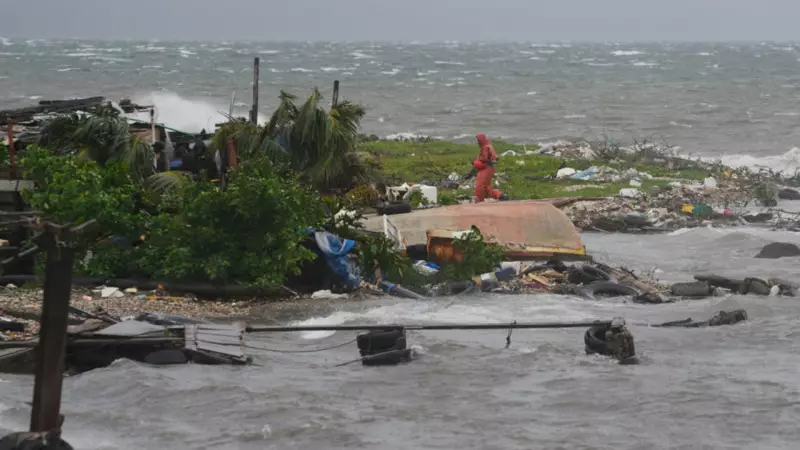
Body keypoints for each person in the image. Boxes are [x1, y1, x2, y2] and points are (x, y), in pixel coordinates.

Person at [472, 133, 508, 202]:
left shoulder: (486, 147)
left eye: (478, 140)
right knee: (485, 187)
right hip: (486, 169)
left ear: (482, 140)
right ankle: (500, 195)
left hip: (486, 169)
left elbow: (488, 158)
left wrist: (478, 161)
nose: (478, 142)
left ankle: (479, 200)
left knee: (480, 185)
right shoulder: (486, 146)